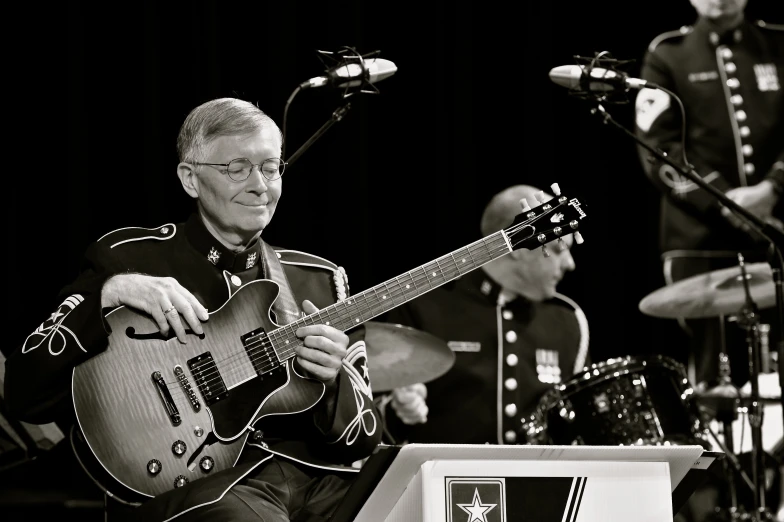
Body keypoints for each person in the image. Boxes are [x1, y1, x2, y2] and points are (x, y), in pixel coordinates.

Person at [3, 97, 381, 521]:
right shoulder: (131, 258)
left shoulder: (319, 280)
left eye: (271, 168)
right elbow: (22, 392)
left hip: (314, 481)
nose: (261, 185)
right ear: (190, 179)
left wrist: (331, 383)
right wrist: (108, 293)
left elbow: (364, 440)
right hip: (197, 491)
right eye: (238, 168)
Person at [633, 0, 783, 390]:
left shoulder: (777, 43)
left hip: (777, 227)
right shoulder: (668, 53)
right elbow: (658, 148)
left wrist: (774, 187)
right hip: (700, 238)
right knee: (716, 379)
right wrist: (725, 200)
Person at [379, 185, 589, 446]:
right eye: (559, 249)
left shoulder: (568, 321)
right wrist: (400, 409)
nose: (570, 264)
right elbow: (370, 425)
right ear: (518, 246)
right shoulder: (424, 306)